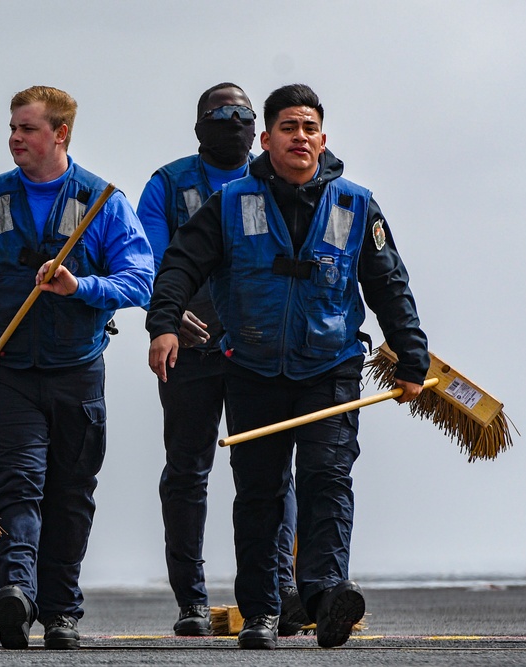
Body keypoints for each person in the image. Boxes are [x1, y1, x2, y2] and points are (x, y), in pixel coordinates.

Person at [146, 84, 428, 650]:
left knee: (327, 481)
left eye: (309, 128)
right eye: (288, 127)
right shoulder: (228, 205)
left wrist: (411, 351)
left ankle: (326, 596)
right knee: (259, 493)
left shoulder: (356, 204)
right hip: (251, 370)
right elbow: (179, 263)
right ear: (267, 138)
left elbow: (389, 284)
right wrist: (164, 323)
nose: (300, 137)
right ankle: (260, 613)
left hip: (330, 370)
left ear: (323, 139)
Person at [0, 85, 153, 650]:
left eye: (27, 128)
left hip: (77, 374)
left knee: (70, 494)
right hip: (6, 374)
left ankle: (61, 611)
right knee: (18, 485)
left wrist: (78, 285)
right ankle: (14, 588)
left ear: (60, 134)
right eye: (12, 127)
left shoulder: (103, 201)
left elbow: (140, 281)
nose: (15, 138)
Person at [137, 82, 307, 637]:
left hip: (256, 352)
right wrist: (167, 314)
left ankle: (279, 589)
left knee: (268, 473)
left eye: (240, 113)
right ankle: (191, 599)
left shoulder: (275, 179)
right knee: (187, 473)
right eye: (218, 113)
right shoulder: (166, 184)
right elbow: (149, 261)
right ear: (198, 125)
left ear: (255, 126)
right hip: (188, 352)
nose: (229, 121)